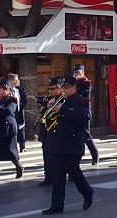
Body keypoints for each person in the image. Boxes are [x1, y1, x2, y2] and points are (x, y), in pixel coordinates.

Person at [41, 77, 94, 215]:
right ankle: (56, 205)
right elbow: (47, 120)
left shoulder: (81, 101)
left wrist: (62, 109)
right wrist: (49, 108)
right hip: (56, 143)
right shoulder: (59, 101)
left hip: (72, 144)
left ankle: (87, 192)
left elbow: (84, 118)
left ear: (74, 88)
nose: (64, 91)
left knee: (74, 172)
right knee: (57, 176)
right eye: (63, 88)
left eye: (67, 88)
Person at [0, 78, 24, 179]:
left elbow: (7, 112)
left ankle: (18, 166)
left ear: (6, 90)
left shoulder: (12, 100)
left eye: (1, 89)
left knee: (10, 152)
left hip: (7, 129)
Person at [37, 78, 66, 187]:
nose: (50, 91)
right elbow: (43, 114)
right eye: (49, 89)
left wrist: (55, 107)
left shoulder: (63, 100)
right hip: (47, 131)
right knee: (46, 154)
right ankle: (48, 177)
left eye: (53, 89)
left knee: (57, 157)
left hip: (57, 132)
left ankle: (59, 176)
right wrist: (45, 107)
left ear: (60, 88)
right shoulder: (49, 99)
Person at [73, 64, 100, 165]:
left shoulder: (86, 82)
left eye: (78, 73)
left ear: (83, 73)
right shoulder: (73, 82)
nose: (76, 75)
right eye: (75, 73)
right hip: (74, 111)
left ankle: (95, 155)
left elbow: (84, 96)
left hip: (84, 111)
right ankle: (79, 156)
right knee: (76, 136)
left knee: (86, 135)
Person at [8, 73, 28, 153]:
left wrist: (22, 106)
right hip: (10, 112)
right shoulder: (7, 89)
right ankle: (12, 146)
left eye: (17, 80)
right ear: (10, 80)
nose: (16, 82)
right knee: (12, 129)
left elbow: (24, 98)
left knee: (21, 128)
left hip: (19, 111)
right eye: (15, 80)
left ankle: (22, 146)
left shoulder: (19, 89)